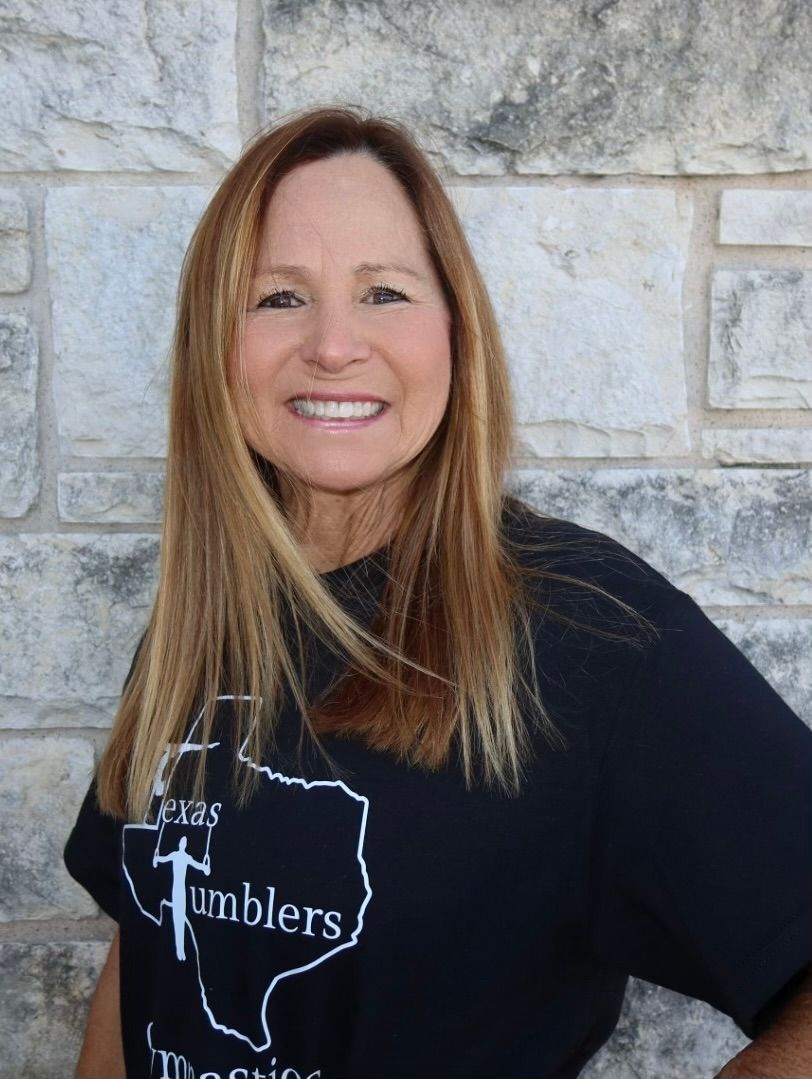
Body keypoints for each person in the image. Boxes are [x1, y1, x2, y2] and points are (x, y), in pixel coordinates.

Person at [64, 105, 812, 1079]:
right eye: (278, 297)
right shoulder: (207, 613)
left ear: (454, 331)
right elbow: (148, 950)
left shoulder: (588, 634)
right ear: (215, 345)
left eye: (383, 291)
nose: (334, 344)